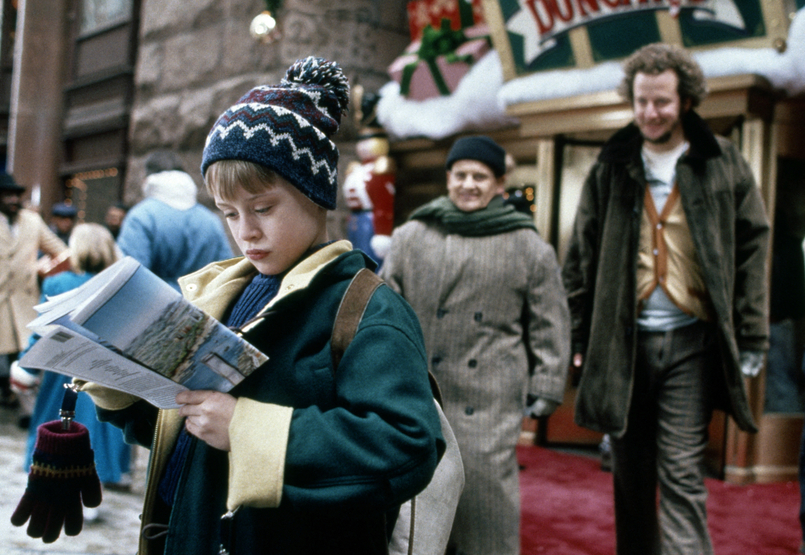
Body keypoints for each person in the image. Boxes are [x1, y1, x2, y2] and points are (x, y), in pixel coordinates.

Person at [78, 57, 443, 555]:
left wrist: (248, 430)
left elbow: (408, 444)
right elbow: (190, 431)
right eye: (229, 213)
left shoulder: (367, 309)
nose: (245, 231)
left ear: (315, 195)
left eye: (263, 208)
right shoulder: (221, 293)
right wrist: (121, 382)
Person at [561, 43, 770, 555]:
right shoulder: (611, 165)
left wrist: (751, 331)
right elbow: (580, 258)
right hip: (622, 345)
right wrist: (579, 335)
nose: (650, 113)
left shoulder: (723, 161)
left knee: (681, 473)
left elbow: (753, 246)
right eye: (642, 102)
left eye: (662, 102)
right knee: (630, 478)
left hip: (690, 344)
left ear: (687, 101)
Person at [380, 134, 571, 555]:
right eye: (461, 174)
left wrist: (547, 383)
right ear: (448, 178)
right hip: (422, 389)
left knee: (486, 504)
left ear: (500, 184)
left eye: (480, 177)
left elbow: (550, 321)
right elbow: (385, 307)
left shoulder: (527, 245)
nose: (469, 184)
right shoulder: (412, 235)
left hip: (489, 394)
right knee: (421, 501)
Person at [12, 223, 132, 492]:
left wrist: (25, 366)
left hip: (64, 368)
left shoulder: (59, 283)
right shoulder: (120, 286)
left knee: (61, 423)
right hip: (108, 370)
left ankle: (52, 475)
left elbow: (42, 331)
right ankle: (98, 478)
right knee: (100, 426)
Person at [116, 150, 233, 291]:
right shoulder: (210, 220)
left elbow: (130, 278)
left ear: (146, 180)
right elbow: (227, 272)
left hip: (158, 307)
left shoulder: (141, 217)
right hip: (204, 308)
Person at [0, 173, 67, 409]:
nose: (13, 199)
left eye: (16, 195)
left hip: (23, 301)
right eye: (7, 195)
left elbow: (61, 251)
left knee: (26, 356)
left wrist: (43, 269)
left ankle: (27, 411)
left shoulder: (32, 221)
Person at [343, 87, 395, 268]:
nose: (364, 146)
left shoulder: (382, 167)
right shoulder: (356, 168)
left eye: (369, 140)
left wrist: (382, 233)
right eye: (361, 141)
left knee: (372, 264)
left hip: (371, 223)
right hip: (356, 222)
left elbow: (384, 202)